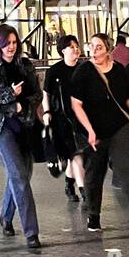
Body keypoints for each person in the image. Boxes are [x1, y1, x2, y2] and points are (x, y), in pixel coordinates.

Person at [69, 33, 129, 244]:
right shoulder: (84, 71)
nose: (94, 51)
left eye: (98, 47)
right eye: (91, 46)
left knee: (128, 171)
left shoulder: (118, 71)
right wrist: (89, 130)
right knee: (94, 174)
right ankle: (94, 214)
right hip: (95, 131)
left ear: (108, 49)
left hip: (120, 128)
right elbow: (76, 104)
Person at [0, 24, 43, 253]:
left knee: (22, 175)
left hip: (25, 126)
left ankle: (6, 215)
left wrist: (23, 104)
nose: (11, 47)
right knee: (18, 175)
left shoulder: (25, 66)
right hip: (1, 126)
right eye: (6, 43)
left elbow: (37, 94)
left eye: (14, 43)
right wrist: (10, 96)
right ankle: (31, 233)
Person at [43, 34, 87, 202]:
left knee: (74, 155)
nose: (76, 50)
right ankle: (84, 191)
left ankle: (69, 183)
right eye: (72, 47)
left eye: (77, 46)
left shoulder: (84, 68)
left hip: (81, 117)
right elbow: (46, 94)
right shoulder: (55, 71)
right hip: (61, 119)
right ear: (63, 51)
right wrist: (47, 112)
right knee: (76, 155)